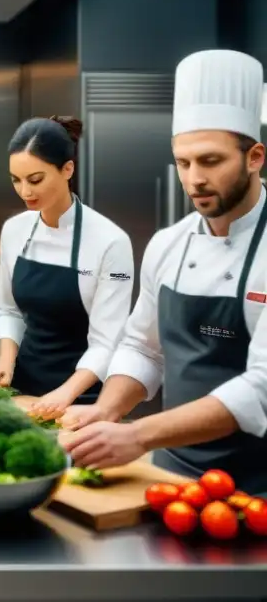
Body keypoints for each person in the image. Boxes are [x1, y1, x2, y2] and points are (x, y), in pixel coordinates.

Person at [60, 49, 267, 494]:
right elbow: (143, 349)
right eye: (183, 162)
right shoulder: (168, 243)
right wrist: (107, 411)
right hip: (171, 473)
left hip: (256, 485)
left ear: (255, 157)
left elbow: (261, 390)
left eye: (211, 161)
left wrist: (137, 435)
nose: (194, 180)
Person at [0, 116, 134, 420]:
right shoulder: (14, 230)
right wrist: (6, 361)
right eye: (16, 179)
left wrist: (64, 395)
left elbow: (108, 342)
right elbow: (9, 310)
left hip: (83, 400)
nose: (25, 191)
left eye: (35, 179)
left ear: (67, 169)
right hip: (22, 393)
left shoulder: (111, 242)